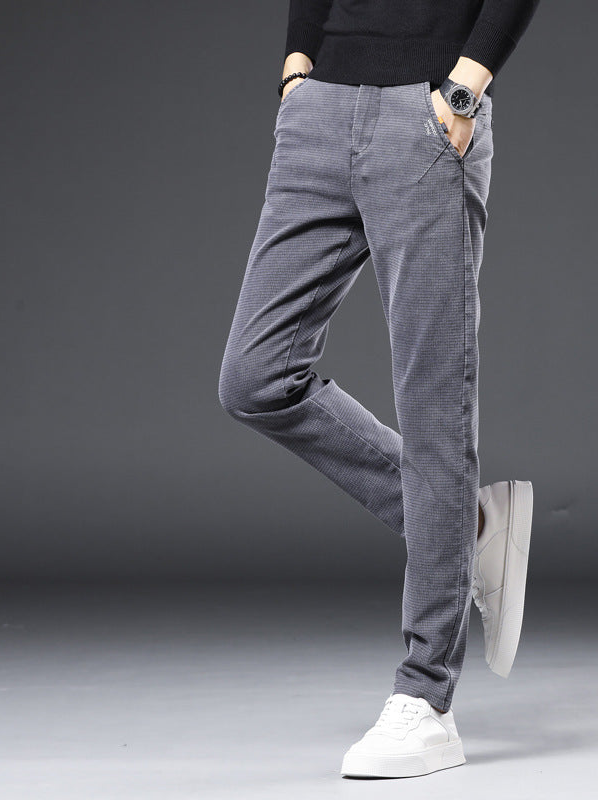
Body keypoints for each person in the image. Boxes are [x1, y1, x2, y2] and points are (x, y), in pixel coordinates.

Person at [218, 0, 541, 779]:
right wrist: (298, 67)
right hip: (320, 111)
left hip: (428, 107)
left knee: (432, 405)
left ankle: (427, 700)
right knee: (256, 377)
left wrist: (463, 88)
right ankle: (467, 526)